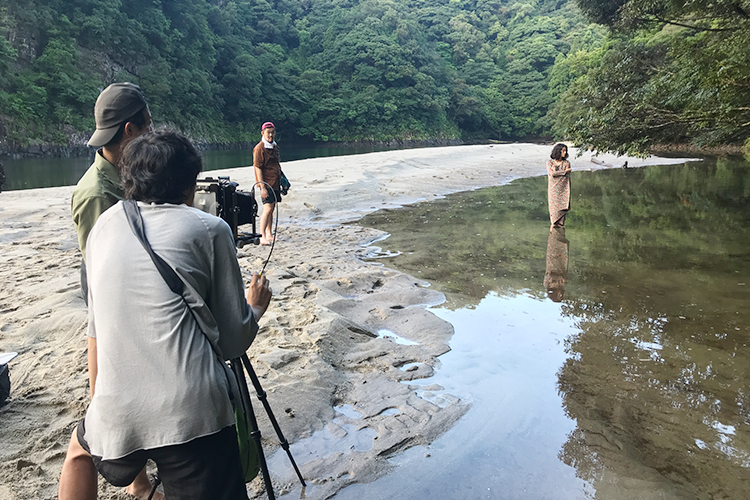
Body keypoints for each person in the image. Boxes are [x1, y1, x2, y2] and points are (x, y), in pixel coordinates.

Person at [58, 129, 273, 500]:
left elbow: (96, 332)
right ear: (190, 185)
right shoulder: (209, 229)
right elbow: (232, 340)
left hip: (116, 406)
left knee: (79, 453)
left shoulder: (103, 227)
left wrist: (100, 404)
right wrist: (255, 306)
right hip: (190, 413)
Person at [68, 82, 157, 499]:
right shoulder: (94, 193)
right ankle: (138, 484)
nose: (151, 132)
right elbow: (99, 268)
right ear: (128, 130)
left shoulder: (129, 174)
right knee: (109, 396)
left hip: (139, 295)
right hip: (110, 308)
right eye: (147, 125)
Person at [253, 121, 282, 245]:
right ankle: (262, 235)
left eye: (272, 132)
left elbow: (277, 165)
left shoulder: (274, 147)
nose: (270, 135)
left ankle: (269, 234)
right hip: (266, 183)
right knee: (267, 208)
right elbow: (257, 167)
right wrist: (262, 187)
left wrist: (283, 181)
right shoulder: (259, 148)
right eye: (268, 133)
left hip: (275, 182)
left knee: (272, 208)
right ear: (263, 133)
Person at [546, 143, 572, 227]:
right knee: (554, 216)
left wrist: (557, 172)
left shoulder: (566, 163)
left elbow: (563, 176)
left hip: (563, 190)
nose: (565, 153)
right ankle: (553, 235)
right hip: (553, 191)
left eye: (565, 151)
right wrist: (564, 171)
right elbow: (552, 174)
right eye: (563, 151)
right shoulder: (550, 163)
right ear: (558, 151)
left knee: (561, 217)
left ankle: (559, 236)